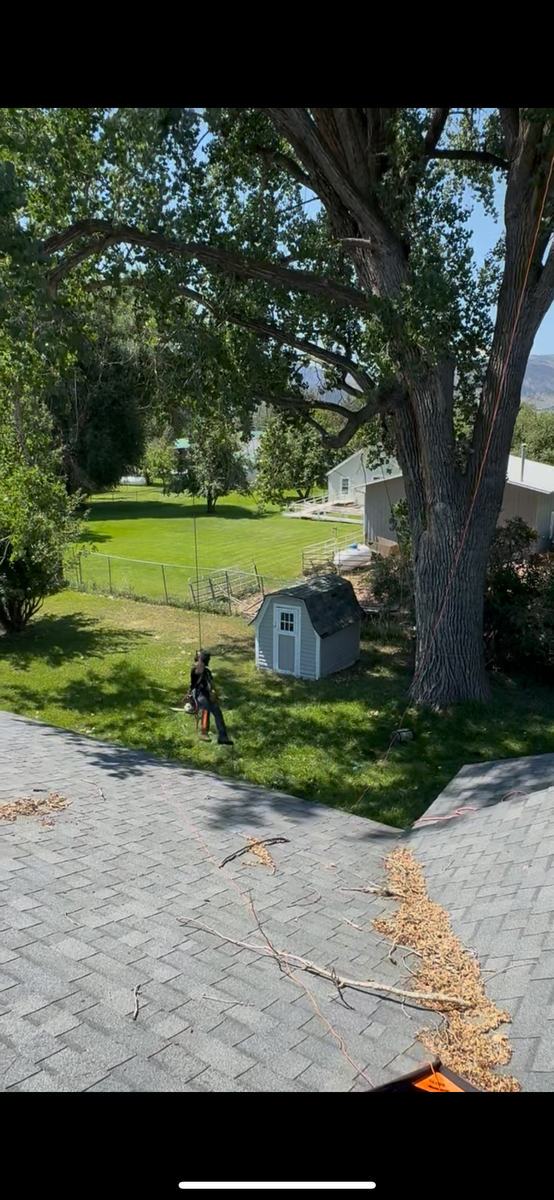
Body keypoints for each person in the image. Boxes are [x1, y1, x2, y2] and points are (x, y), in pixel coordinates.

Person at [189, 650, 233, 746]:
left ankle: (222, 736)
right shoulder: (195, 670)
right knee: (206, 705)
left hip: (207, 694)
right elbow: (198, 670)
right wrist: (200, 659)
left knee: (216, 709)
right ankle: (204, 732)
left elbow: (212, 684)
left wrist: (213, 692)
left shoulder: (207, 672)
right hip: (198, 695)